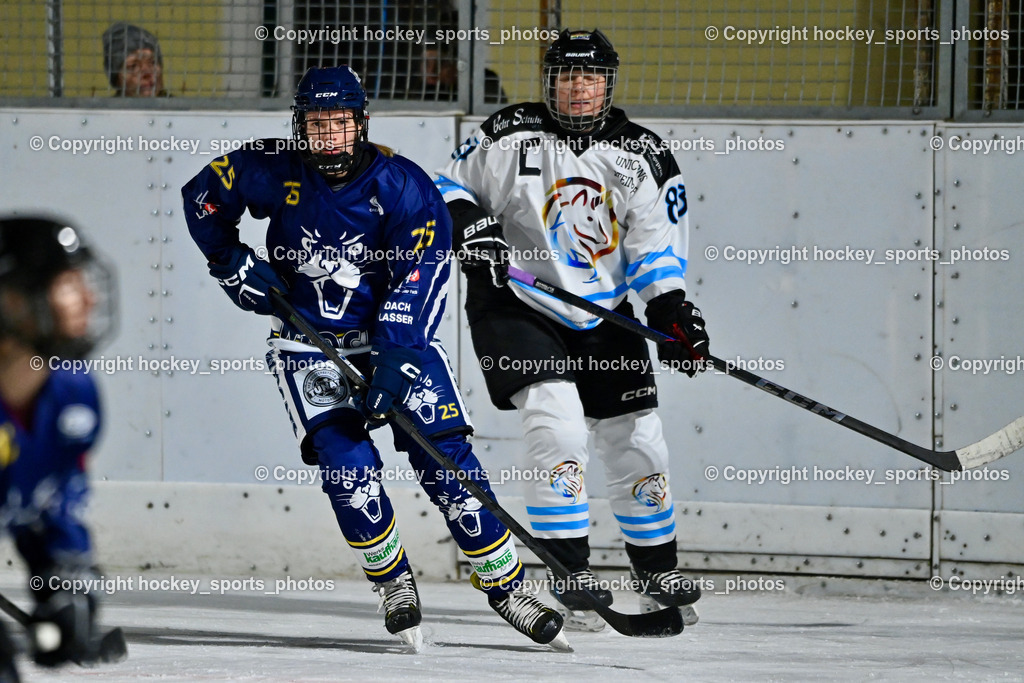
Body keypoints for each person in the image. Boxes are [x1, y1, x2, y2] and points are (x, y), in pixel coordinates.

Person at [181, 65, 567, 651]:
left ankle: (506, 586)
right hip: (309, 344)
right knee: (348, 470)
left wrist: (395, 357)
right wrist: (230, 262)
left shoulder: (403, 185)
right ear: (299, 126)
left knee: (446, 461)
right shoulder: (273, 166)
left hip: (395, 342)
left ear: (361, 123)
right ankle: (392, 582)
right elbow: (203, 196)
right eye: (317, 124)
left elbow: (422, 277)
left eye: (340, 123)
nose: (329, 136)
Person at [434, 29, 708, 631]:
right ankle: (569, 570)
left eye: (590, 76)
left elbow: (654, 251)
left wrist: (670, 312)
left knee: (638, 436)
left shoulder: (643, 154)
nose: (578, 87)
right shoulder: (510, 134)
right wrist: (473, 227)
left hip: (602, 310)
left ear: (609, 83)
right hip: (515, 301)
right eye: (566, 75)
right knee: (556, 423)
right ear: (549, 81)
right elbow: (445, 187)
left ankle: (656, 570)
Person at [0, 216, 115, 679]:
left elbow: (51, 505)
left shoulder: (73, 394)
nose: (88, 299)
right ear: (12, 300)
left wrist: (63, 586)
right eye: (67, 285)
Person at [412, 42, 508, 105]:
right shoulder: (421, 92)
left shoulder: (484, 81)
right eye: (426, 64)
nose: (431, 73)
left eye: (440, 64)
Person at [102, 22, 168, 97]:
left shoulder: (177, 104)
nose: (147, 73)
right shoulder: (106, 105)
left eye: (152, 62)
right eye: (133, 66)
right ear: (117, 80)